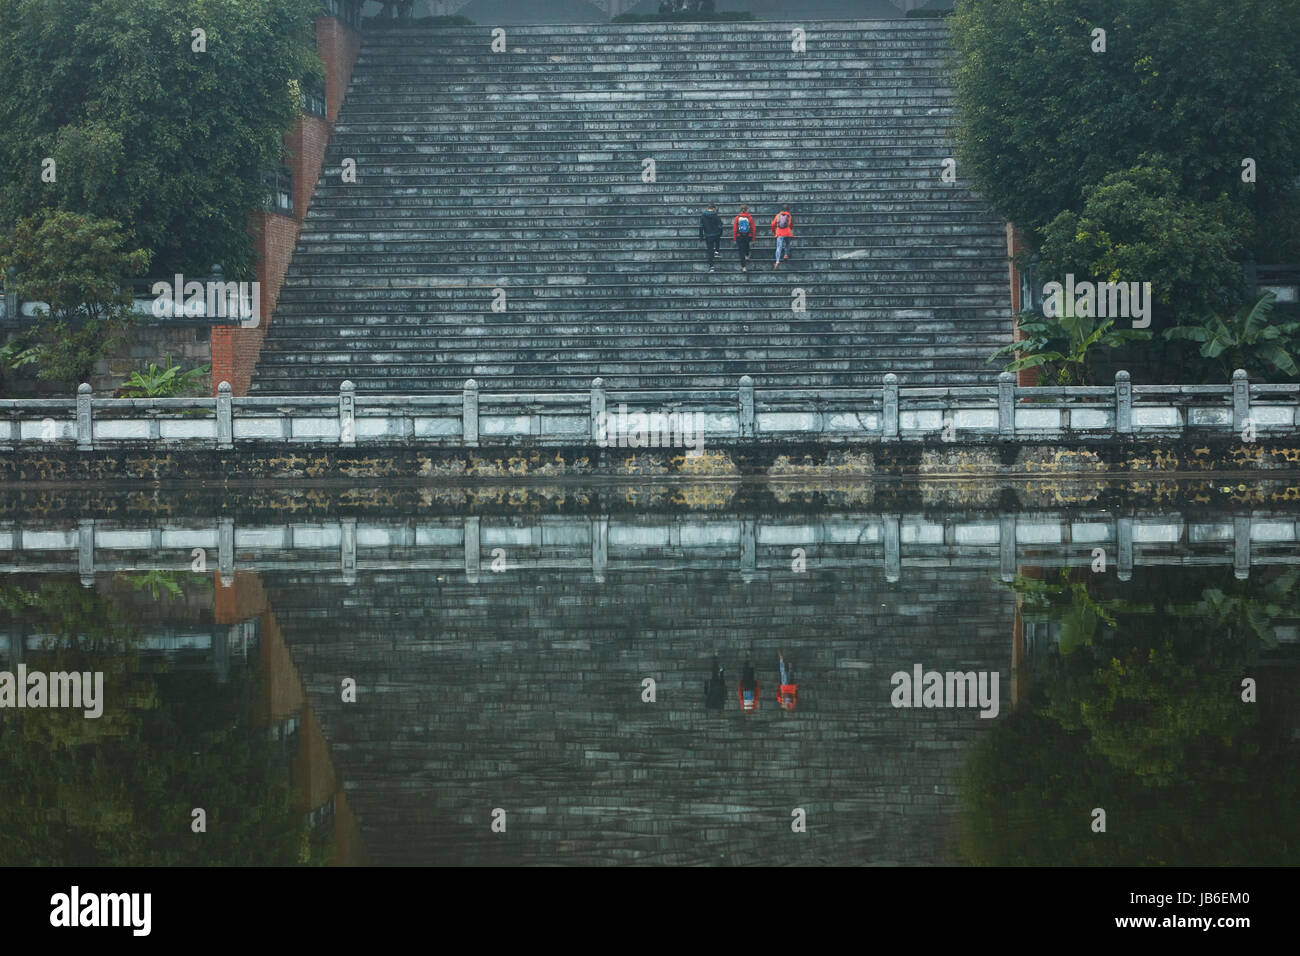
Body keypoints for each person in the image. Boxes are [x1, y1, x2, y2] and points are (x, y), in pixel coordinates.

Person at [699, 203, 724, 272]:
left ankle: (711, 266)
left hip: (708, 235)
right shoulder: (715, 215)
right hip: (716, 234)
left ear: (708, 208)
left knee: (710, 250)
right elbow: (720, 225)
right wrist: (720, 232)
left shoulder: (703, 215)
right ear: (713, 208)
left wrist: (701, 236)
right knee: (717, 242)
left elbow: (701, 226)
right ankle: (717, 251)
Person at [733, 204, 756, 271]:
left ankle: (744, 267)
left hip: (739, 236)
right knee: (746, 246)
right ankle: (747, 254)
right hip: (748, 235)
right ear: (747, 209)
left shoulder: (737, 218)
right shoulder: (750, 218)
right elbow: (753, 228)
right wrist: (753, 239)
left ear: (740, 210)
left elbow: (735, 229)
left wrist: (734, 239)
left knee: (741, 251)